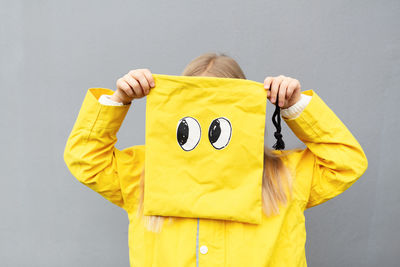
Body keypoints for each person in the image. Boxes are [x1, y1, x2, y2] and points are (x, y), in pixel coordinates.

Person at [64, 52, 368, 266]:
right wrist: (119, 100)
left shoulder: (284, 176)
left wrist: (295, 106)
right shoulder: (145, 172)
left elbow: (347, 162)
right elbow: (85, 158)